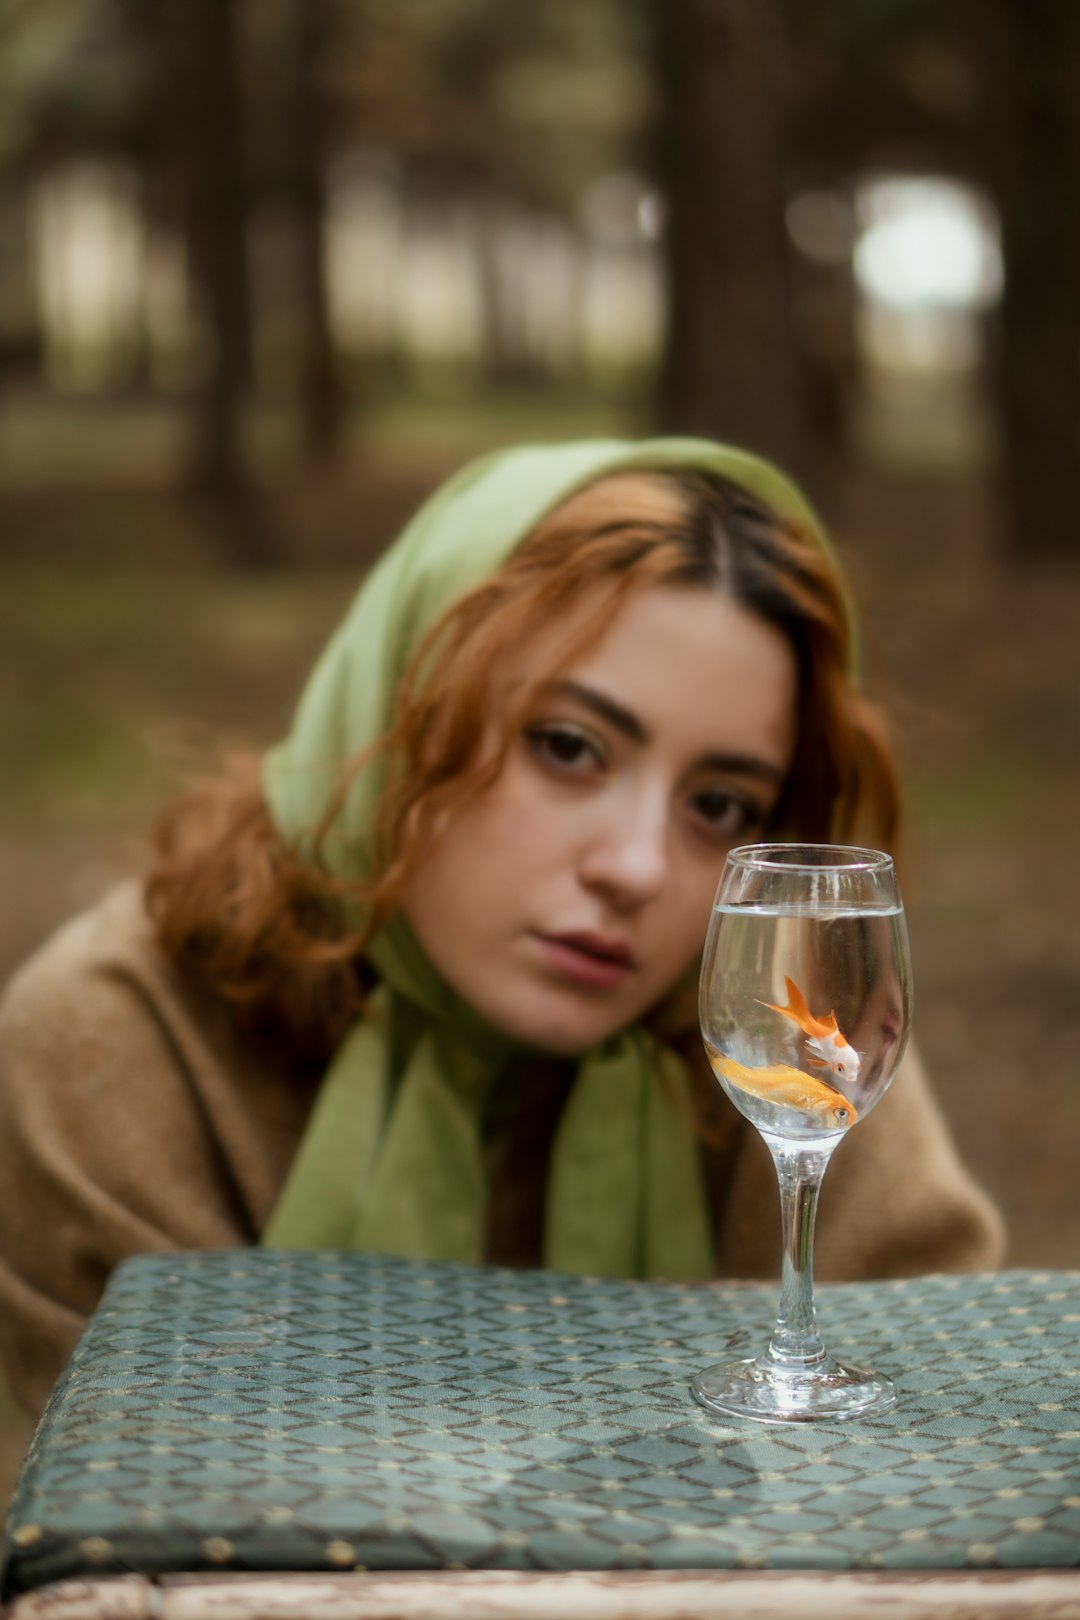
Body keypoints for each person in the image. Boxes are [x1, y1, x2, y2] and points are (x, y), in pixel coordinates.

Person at [0, 438, 1004, 1418]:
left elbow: (937, 1429)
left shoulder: (771, 1038)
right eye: (568, 746)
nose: (638, 869)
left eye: (721, 806)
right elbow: (97, 1539)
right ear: (398, 709)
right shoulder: (125, 1035)